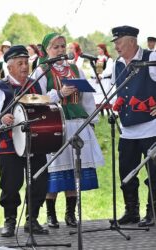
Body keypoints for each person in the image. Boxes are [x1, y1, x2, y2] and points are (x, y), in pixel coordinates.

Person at [34, 33, 104, 229]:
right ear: (47, 50)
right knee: (55, 168)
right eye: (55, 47)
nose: (60, 50)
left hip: (77, 123)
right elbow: (36, 99)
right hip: (55, 125)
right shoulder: (41, 71)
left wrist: (91, 120)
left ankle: (71, 213)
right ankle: (50, 214)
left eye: (62, 46)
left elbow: (87, 98)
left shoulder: (75, 69)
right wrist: (58, 94)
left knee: (74, 169)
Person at [0, 45, 49, 237]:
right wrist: (2, 118)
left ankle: (32, 218)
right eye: (20, 63)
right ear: (9, 67)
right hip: (8, 143)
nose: (24, 67)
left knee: (40, 180)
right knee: (11, 184)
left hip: (35, 142)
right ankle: (10, 220)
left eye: (26, 62)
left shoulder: (35, 84)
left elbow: (44, 106)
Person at [110, 26, 156, 227]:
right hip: (127, 128)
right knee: (126, 171)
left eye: (119, 42)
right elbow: (116, 90)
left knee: (154, 173)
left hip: (151, 126)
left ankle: (152, 211)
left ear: (131, 41)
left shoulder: (151, 58)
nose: (117, 47)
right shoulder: (116, 64)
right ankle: (131, 210)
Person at [90, 43, 114, 116]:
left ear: (103, 49)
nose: (98, 50)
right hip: (98, 81)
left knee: (105, 95)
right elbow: (95, 69)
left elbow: (109, 70)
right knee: (98, 97)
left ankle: (109, 113)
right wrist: (95, 76)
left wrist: (101, 76)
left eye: (99, 49)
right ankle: (101, 113)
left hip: (105, 81)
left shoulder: (108, 59)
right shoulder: (96, 58)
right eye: (97, 49)